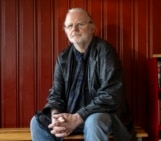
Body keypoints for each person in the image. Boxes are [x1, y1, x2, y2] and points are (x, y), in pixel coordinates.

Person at [30, 8, 135, 141]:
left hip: (104, 114)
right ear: (66, 31)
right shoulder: (63, 58)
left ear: (92, 28)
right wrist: (56, 116)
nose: (74, 29)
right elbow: (56, 93)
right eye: (70, 26)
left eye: (80, 24)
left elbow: (111, 95)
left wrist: (78, 117)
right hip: (71, 116)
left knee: (93, 121)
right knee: (37, 122)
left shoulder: (105, 52)